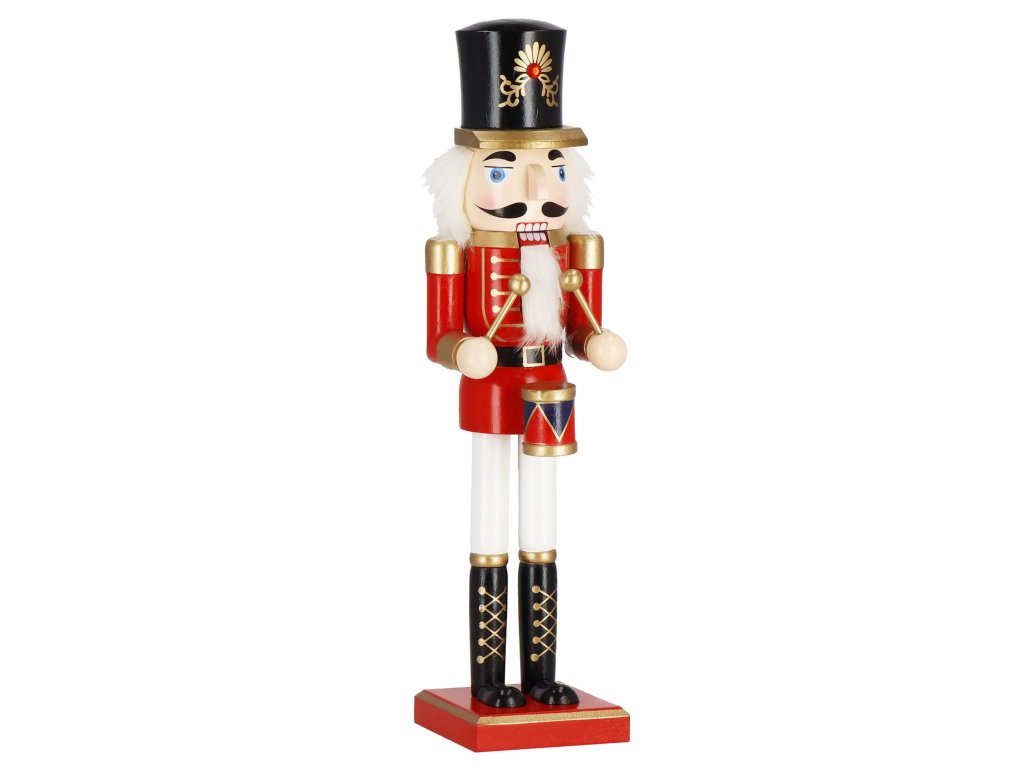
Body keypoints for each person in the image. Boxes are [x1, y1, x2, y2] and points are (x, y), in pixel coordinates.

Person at [424, 19, 626, 708]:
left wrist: (595, 344)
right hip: (490, 391)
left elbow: (583, 326)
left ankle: (540, 675)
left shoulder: (574, 249)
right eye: (505, 169)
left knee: (542, 529)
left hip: (548, 387)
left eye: (554, 167)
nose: (535, 189)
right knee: (490, 528)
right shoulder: (457, 254)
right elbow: (439, 335)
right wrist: (463, 349)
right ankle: (488, 681)